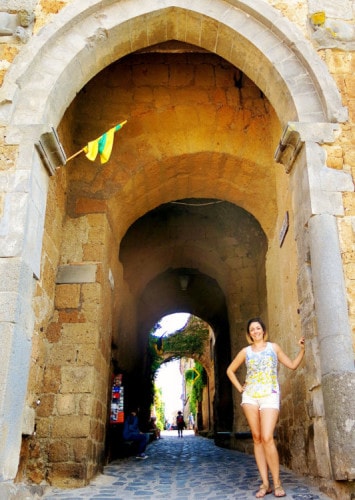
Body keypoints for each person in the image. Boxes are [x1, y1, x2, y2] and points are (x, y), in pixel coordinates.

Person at [226, 317, 305, 498]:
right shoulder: (245, 352)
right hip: (250, 397)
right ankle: (265, 483)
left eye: (258, 328)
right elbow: (230, 370)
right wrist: (240, 388)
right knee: (257, 438)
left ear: (263, 330)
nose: (255, 331)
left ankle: (277, 483)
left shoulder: (273, 348)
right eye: (252, 329)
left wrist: (302, 349)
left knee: (268, 437)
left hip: (270, 395)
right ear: (249, 334)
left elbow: (292, 365)